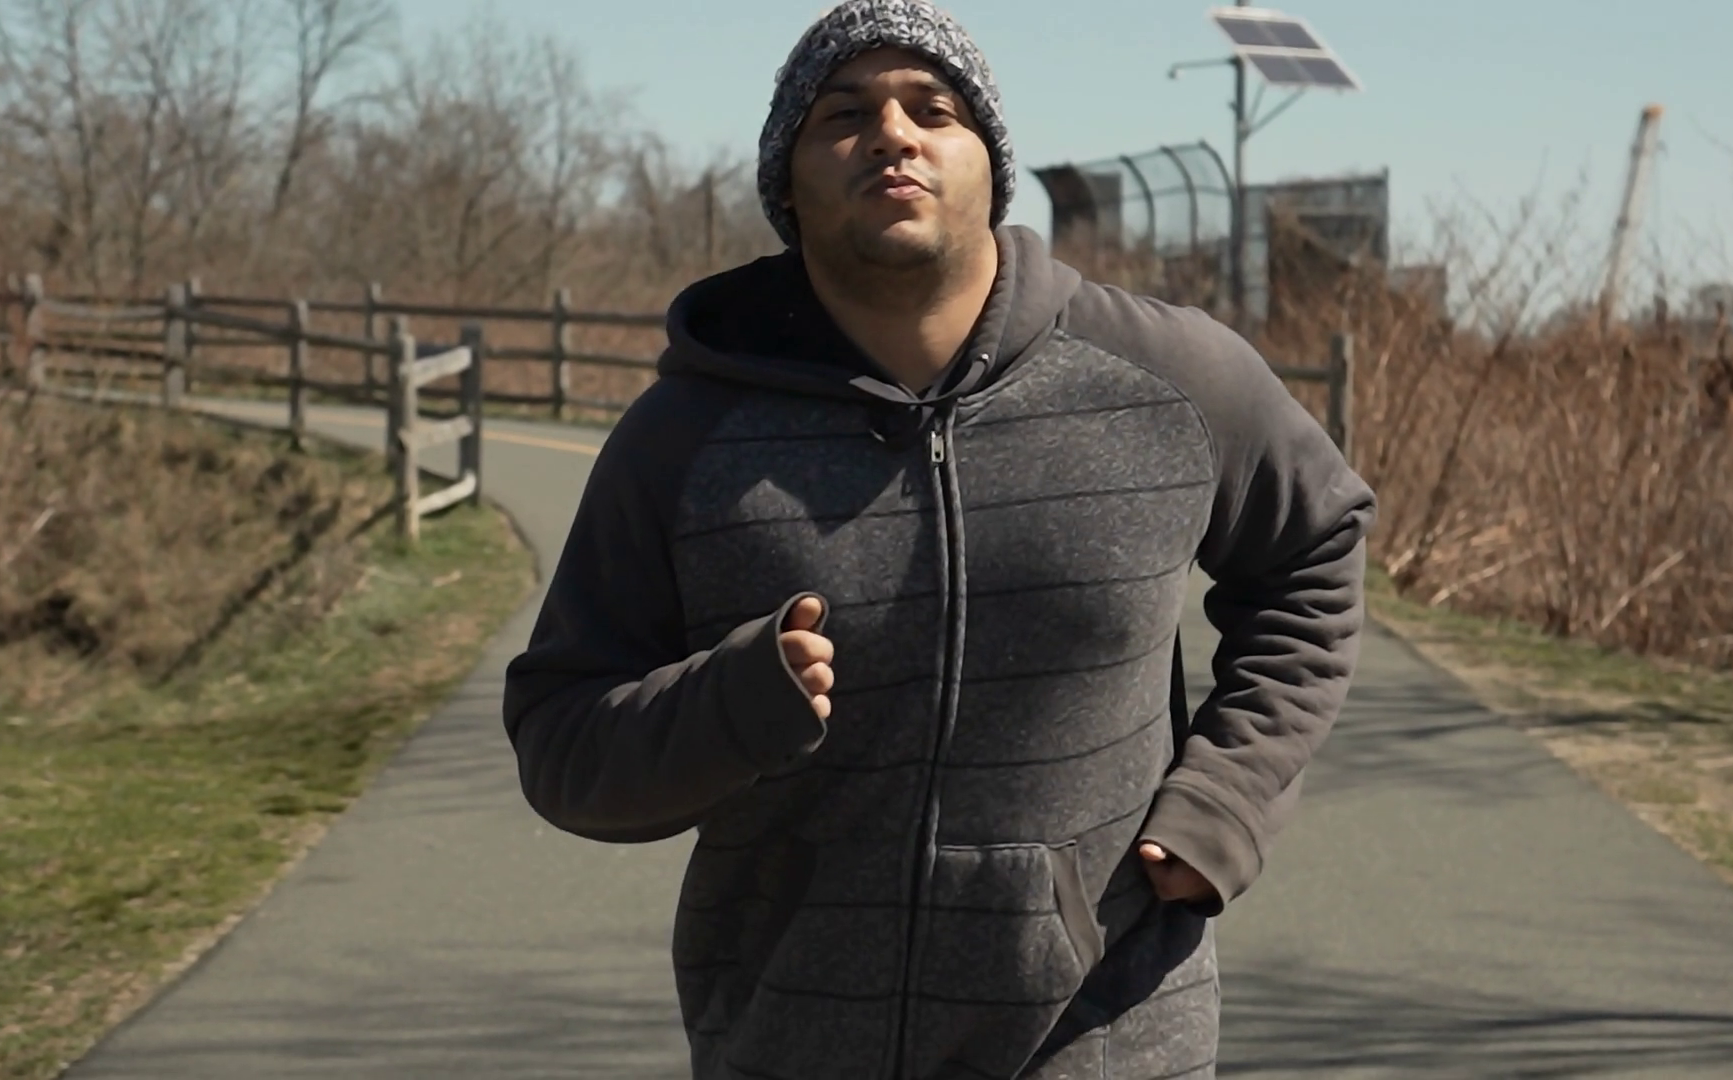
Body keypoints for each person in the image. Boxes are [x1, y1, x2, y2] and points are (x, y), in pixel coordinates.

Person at [501, 1, 1376, 1077]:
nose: (893, 135)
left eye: (934, 109)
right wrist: (725, 707)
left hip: (1108, 1039)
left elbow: (1317, 549)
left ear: (990, 167)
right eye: (843, 115)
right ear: (787, 185)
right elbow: (563, 743)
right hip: (791, 1045)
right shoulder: (682, 440)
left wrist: (1228, 800)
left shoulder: (1170, 381)